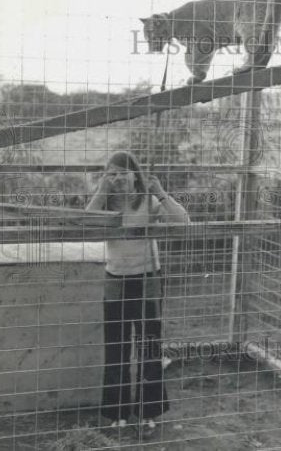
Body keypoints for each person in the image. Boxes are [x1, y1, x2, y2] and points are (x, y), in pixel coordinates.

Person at [86, 151, 189, 431]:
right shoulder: (105, 204)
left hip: (147, 280)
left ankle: (148, 413)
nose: (117, 179)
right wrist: (101, 190)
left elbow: (183, 222)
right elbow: (86, 222)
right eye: (112, 174)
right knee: (116, 348)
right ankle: (117, 413)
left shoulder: (148, 201)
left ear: (135, 174)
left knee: (148, 347)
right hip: (115, 280)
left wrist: (161, 192)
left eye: (122, 173)